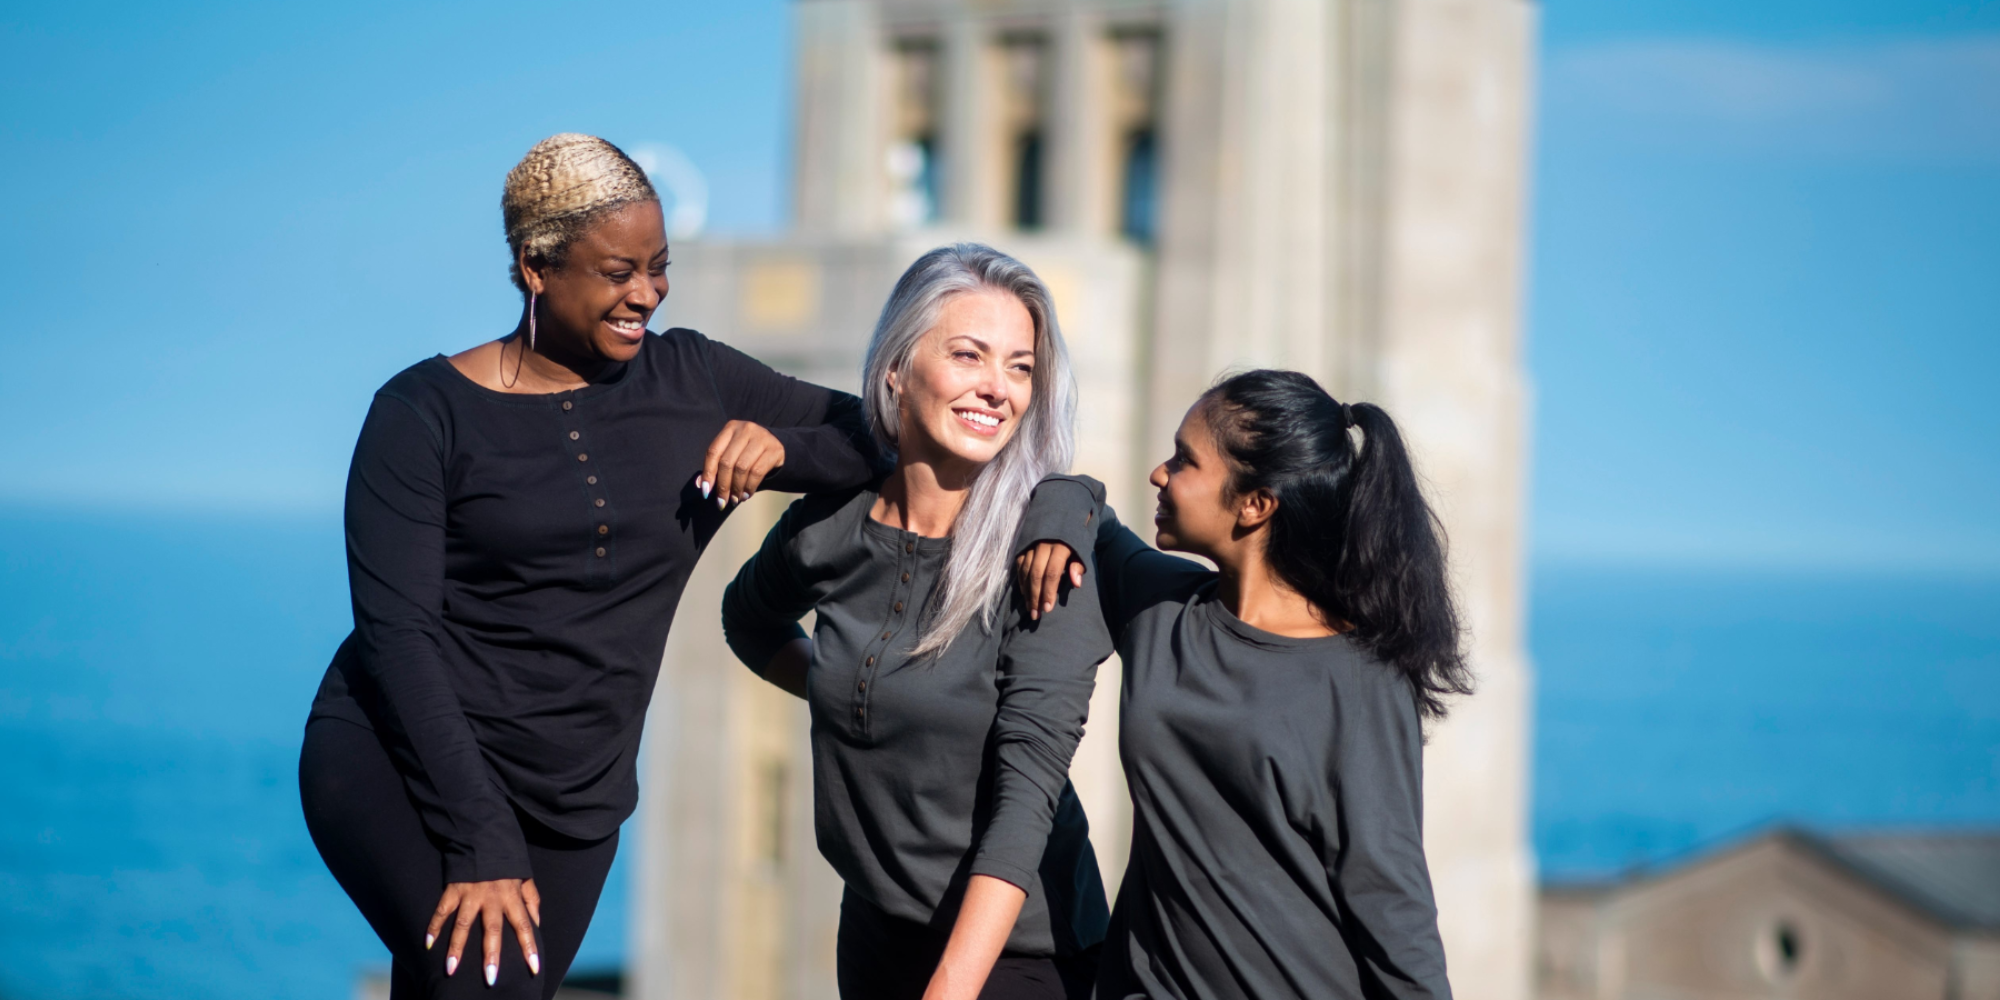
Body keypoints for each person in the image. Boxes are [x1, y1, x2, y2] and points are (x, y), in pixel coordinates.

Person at [297, 134, 883, 1000]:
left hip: (576, 798)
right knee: (480, 989)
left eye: (659, 266)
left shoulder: (696, 377)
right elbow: (398, 638)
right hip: (400, 757)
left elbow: (874, 437)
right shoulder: (420, 415)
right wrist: (481, 840)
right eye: (618, 272)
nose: (645, 293)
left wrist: (779, 445)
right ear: (537, 266)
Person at [719, 244, 1113, 1000]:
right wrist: (849, 691)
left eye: (1020, 366)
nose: (997, 388)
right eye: (970, 355)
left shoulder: (1046, 552)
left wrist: (952, 989)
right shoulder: (831, 521)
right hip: (874, 928)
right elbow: (748, 619)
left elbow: (1027, 801)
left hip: (1017, 956)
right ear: (896, 367)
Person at [1014, 369, 1469, 999]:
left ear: (1255, 504)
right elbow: (1086, 507)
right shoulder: (1160, 609)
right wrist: (1058, 518)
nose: (1159, 473)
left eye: (1184, 461)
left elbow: (1391, 900)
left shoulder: (1361, 680)